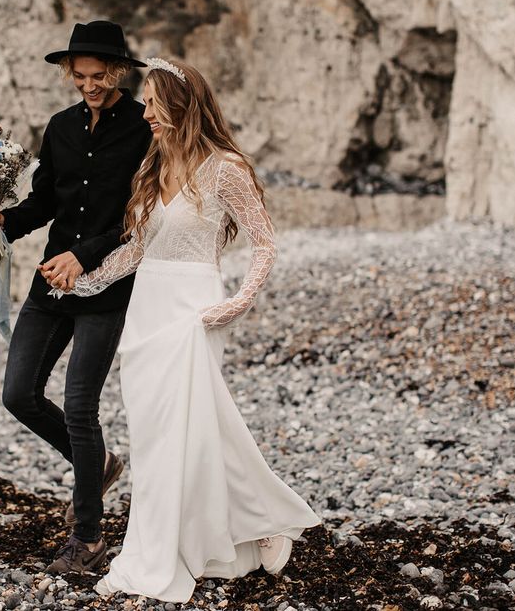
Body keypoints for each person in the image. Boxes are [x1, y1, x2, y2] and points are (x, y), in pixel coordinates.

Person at [42, 57, 320, 603]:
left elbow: (265, 242)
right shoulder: (153, 164)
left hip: (196, 307)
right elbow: (140, 250)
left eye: (152, 103)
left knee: (186, 432)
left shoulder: (225, 169)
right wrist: (85, 283)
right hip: (148, 307)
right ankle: (253, 525)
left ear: (180, 104)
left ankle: (163, 551)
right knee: (161, 435)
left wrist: (240, 301)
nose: (145, 113)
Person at [0, 21, 152, 572]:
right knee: (18, 393)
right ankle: (96, 465)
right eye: (80, 76)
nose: (89, 85)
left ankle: (89, 538)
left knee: (79, 407)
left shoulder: (147, 128)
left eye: (99, 76)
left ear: (118, 72)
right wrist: (3, 222)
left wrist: (87, 255)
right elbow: (44, 199)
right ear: (68, 73)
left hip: (107, 286)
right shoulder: (60, 127)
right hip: (51, 283)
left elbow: (141, 217)